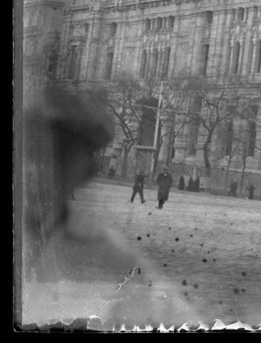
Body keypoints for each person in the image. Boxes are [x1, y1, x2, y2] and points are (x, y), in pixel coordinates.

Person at [20, 85, 196, 329]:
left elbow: (173, 316)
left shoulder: (111, 255)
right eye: (30, 149)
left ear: (86, 172)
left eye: (60, 154)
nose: (39, 167)